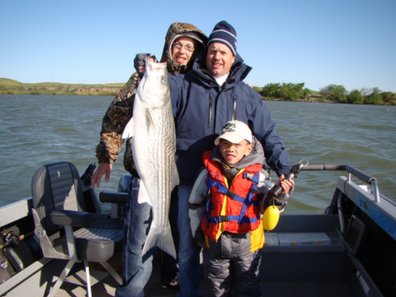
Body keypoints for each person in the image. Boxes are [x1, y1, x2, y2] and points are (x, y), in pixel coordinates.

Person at [169, 20, 294, 297]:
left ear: (233, 57)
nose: (217, 56)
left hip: (234, 184)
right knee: (188, 248)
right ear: (205, 54)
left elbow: (269, 133)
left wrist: (284, 168)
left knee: (234, 252)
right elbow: (153, 90)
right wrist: (144, 69)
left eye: (223, 52)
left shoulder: (246, 94)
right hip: (190, 180)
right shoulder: (181, 85)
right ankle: (188, 292)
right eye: (213, 50)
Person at [91, 22, 207, 297]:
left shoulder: (198, 81)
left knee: (179, 236)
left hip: (183, 174)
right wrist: (107, 156)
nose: (182, 51)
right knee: (138, 239)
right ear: (168, 44)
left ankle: (170, 276)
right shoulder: (144, 75)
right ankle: (132, 291)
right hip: (145, 172)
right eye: (178, 44)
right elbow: (116, 118)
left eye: (190, 47)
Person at [189, 120, 290, 297]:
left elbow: (269, 207)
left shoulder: (260, 176)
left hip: (248, 243)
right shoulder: (207, 173)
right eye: (225, 144)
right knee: (216, 288)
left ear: (248, 148)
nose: (231, 149)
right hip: (215, 242)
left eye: (237, 144)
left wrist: (279, 196)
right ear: (219, 146)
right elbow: (195, 203)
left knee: (248, 284)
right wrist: (197, 232)